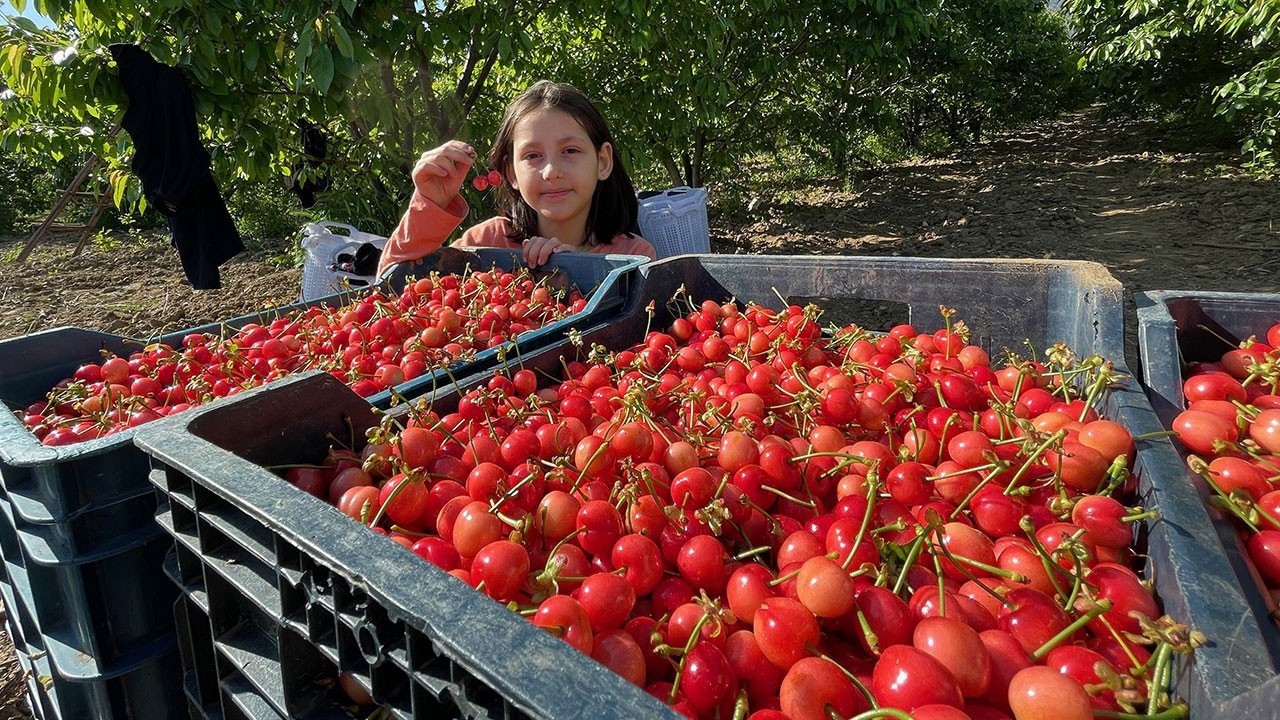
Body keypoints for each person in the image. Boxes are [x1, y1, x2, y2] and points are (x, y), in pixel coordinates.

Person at [376, 81, 657, 278]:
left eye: (570, 151)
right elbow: (392, 290)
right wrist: (429, 205)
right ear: (511, 173)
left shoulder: (634, 257)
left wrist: (577, 272)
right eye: (533, 156)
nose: (551, 171)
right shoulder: (485, 243)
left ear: (603, 161)